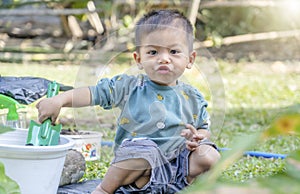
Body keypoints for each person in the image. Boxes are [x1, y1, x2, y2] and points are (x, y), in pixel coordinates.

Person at [36, 9, 220, 194]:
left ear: (190, 59)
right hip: (139, 175)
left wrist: (199, 138)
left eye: (174, 51)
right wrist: (60, 100)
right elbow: (93, 93)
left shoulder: (193, 97)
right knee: (143, 151)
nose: (164, 59)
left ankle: (193, 189)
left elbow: (203, 128)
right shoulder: (129, 86)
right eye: (153, 52)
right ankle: (104, 190)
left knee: (209, 155)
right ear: (139, 59)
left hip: (177, 172)